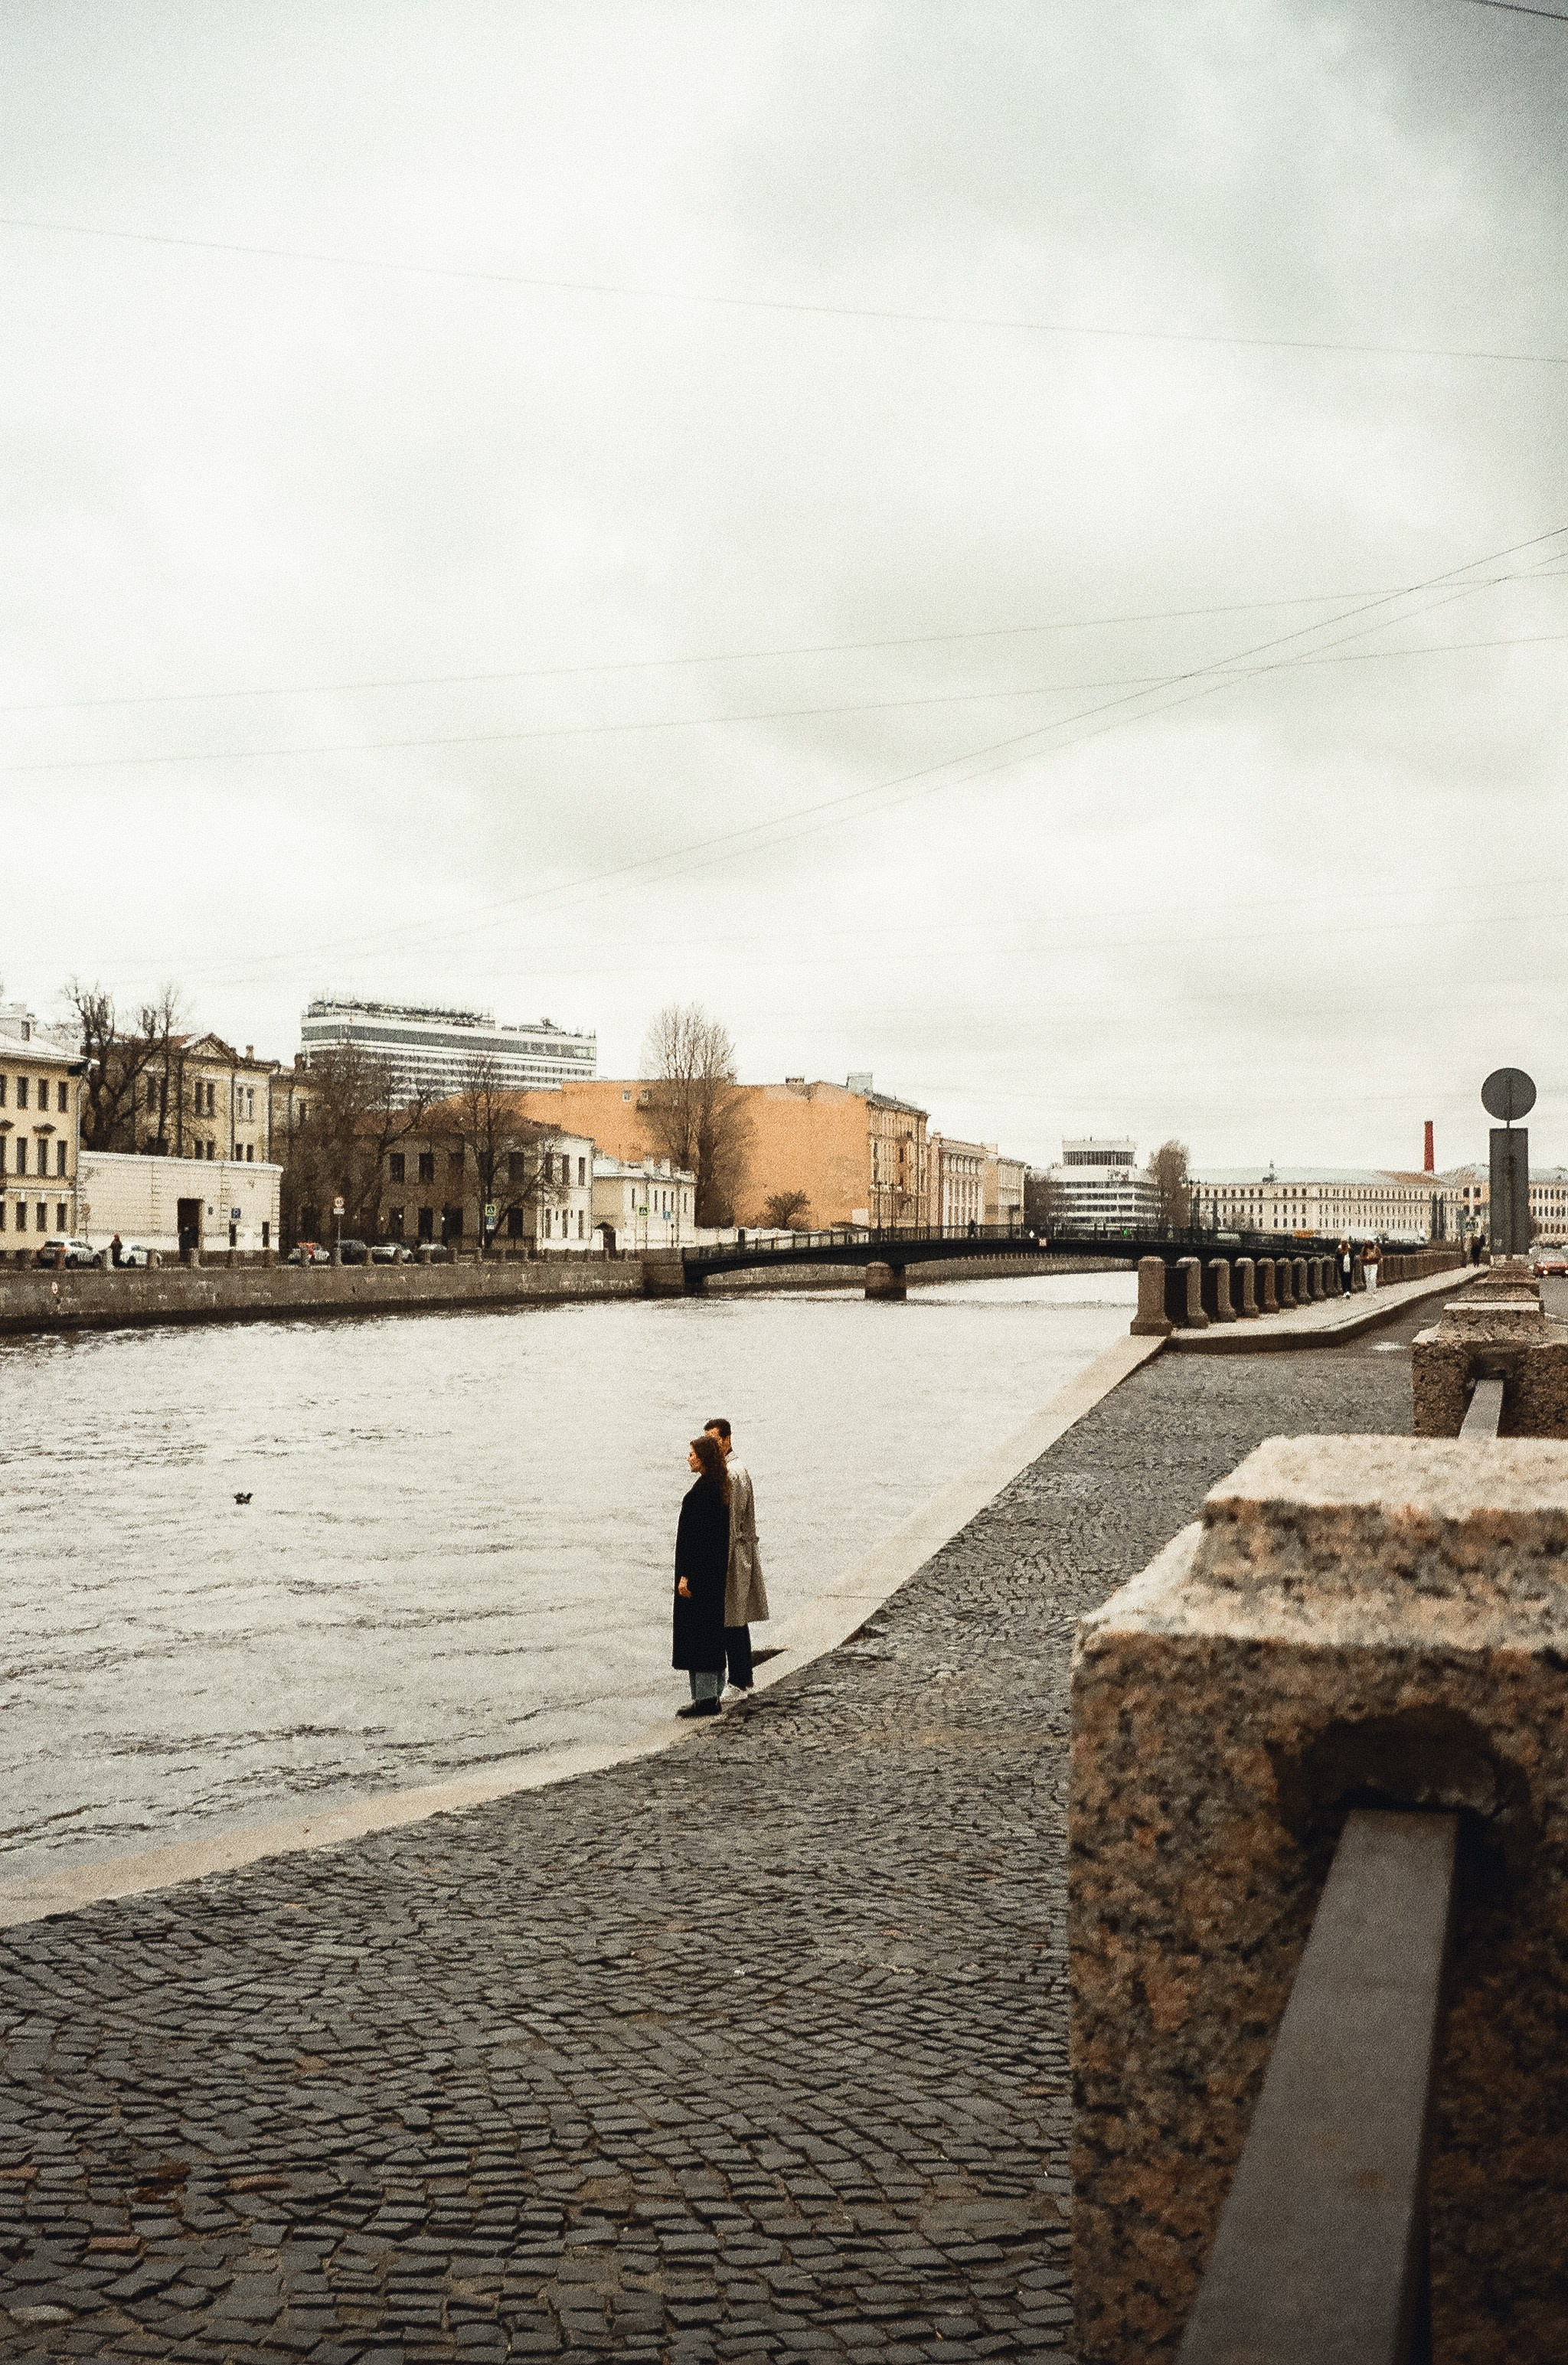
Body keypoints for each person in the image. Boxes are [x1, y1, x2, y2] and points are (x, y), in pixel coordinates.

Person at [704, 1416, 769, 1693]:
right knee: (735, 1618)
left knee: (733, 1619)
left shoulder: (732, 1473)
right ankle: (741, 1678)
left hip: (734, 1555)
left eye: (714, 1441)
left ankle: (740, 1681)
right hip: (739, 1551)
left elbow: (731, 1521)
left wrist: (721, 1558)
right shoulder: (735, 1469)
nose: (710, 1446)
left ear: (727, 1440)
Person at [672, 1432, 730, 1719]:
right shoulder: (717, 1487)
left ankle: (705, 1699)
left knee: (699, 1632)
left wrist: (686, 1575)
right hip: (713, 1575)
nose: (688, 1458)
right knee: (711, 1629)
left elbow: (698, 1540)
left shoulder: (704, 1493)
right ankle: (712, 1692)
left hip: (698, 1577)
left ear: (704, 1458)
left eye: (692, 1454)